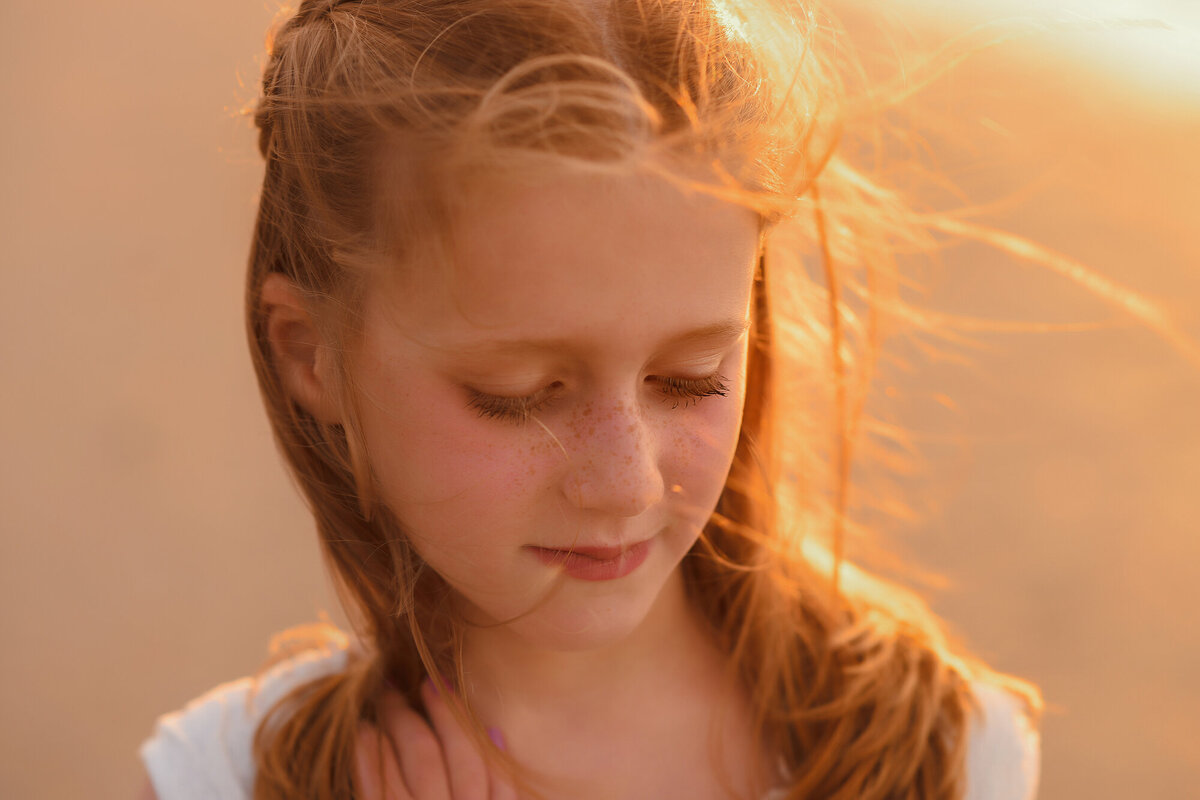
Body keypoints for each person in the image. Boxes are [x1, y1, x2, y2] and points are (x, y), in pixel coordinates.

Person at [139, 1, 1045, 798]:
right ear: (312, 357)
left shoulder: (941, 753)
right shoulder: (227, 780)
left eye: (689, 379)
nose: (625, 483)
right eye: (519, 396)